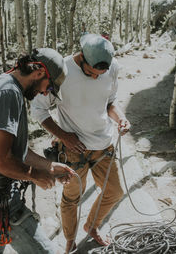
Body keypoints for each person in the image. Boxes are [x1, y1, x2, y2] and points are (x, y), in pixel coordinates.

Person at [31, 34, 131, 253]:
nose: (96, 78)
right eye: (91, 73)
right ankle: (70, 239)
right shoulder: (61, 72)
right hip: (73, 150)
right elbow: (38, 109)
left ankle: (91, 226)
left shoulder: (112, 68)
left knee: (114, 192)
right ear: (81, 58)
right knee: (72, 198)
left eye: (100, 75)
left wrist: (120, 119)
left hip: (104, 144)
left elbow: (110, 103)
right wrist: (63, 135)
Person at [0, 48, 75, 254]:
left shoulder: (7, 85)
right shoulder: (8, 93)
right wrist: (36, 176)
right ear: (40, 72)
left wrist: (49, 166)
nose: (44, 92)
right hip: (3, 203)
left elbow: (17, 152)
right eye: (49, 87)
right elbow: (2, 161)